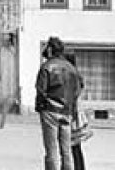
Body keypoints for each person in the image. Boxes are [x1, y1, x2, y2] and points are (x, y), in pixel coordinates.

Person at [35, 37, 82, 170]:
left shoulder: (47, 67)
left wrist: (40, 107)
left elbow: (41, 90)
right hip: (67, 112)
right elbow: (77, 90)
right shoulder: (71, 68)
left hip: (50, 110)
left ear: (50, 49)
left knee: (52, 149)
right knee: (66, 150)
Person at [65, 52, 89, 170]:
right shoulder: (76, 76)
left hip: (71, 114)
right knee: (75, 147)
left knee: (69, 146)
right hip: (76, 114)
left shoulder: (70, 78)